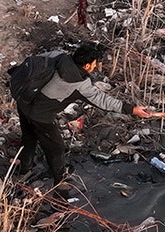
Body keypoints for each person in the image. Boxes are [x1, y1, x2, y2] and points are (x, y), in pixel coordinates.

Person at [12, 42, 152, 189]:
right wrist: (132, 109)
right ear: (86, 66)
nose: (96, 66)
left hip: (24, 101)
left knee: (29, 137)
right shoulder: (79, 84)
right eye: (94, 63)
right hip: (40, 116)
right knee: (56, 147)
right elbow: (102, 100)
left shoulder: (58, 55)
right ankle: (60, 181)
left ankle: (23, 170)